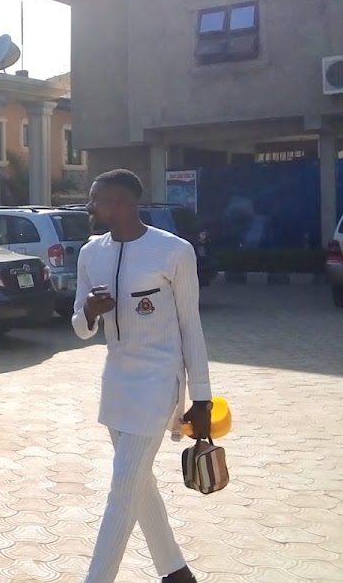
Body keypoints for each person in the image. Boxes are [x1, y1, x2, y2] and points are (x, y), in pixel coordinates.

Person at [71, 169, 213, 583]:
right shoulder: (90, 253)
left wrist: (201, 397)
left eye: (95, 198)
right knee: (137, 481)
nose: (89, 206)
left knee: (122, 487)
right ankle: (176, 572)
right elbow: (79, 327)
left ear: (120, 202)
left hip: (158, 381)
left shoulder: (174, 251)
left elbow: (190, 326)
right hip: (116, 382)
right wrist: (90, 312)